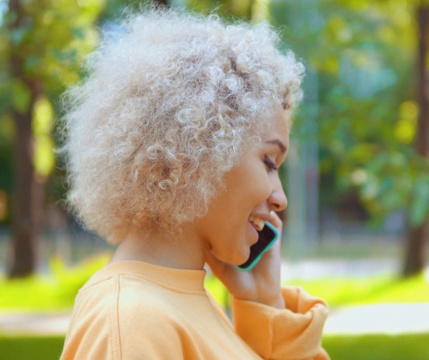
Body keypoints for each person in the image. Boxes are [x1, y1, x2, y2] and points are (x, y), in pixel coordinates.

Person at [60, 9, 329, 360]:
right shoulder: (132, 322)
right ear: (195, 150)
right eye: (268, 163)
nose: (280, 199)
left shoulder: (179, 303)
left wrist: (265, 302)